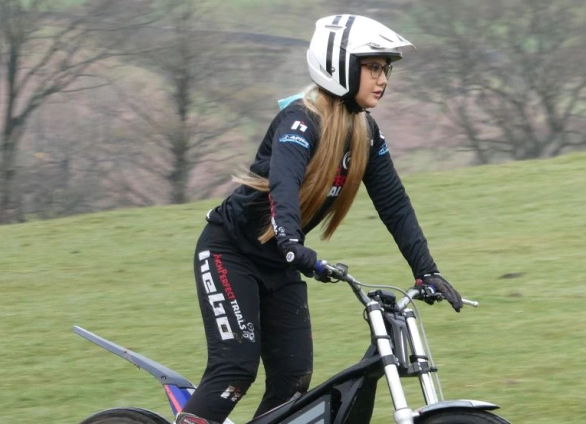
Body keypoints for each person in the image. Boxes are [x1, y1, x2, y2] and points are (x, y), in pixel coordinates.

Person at [176, 14, 464, 424]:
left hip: (281, 261)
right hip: (230, 253)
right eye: (373, 68)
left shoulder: (365, 132)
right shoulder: (301, 118)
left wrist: (427, 271)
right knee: (235, 371)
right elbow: (285, 184)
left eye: (385, 70)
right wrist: (292, 242)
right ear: (339, 65)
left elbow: (394, 204)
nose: (383, 80)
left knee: (294, 380)